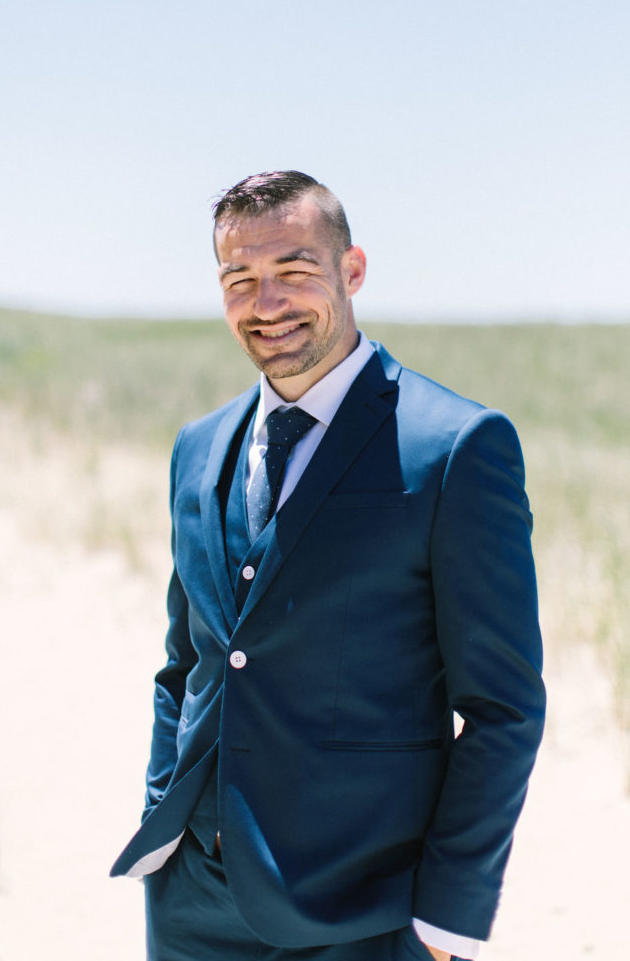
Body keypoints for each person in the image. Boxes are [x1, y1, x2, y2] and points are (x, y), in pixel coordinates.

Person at [111, 171, 546, 961]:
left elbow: (503, 708)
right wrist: (161, 824)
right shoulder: (197, 447)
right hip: (193, 906)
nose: (265, 302)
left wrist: (448, 919)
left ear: (351, 272)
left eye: (294, 272)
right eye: (239, 279)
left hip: (364, 911)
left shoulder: (455, 447)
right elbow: (189, 665)